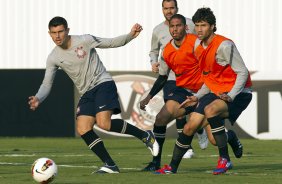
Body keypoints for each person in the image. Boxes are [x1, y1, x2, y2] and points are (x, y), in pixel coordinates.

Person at [28, 16, 159, 174]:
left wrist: (130, 35)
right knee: (83, 128)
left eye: (61, 31)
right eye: (54, 32)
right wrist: (38, 98)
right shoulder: (53, 57)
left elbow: (110, 43)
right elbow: (47, 84)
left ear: (67, 31)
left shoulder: (85, 40)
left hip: (103, 83)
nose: (57, 36)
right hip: (86, 92)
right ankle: (110, 165)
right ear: (49, 33)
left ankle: (145, 135)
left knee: (104, 124)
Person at [155, 7, 252, 175]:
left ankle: (224, 160)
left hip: (239, 92)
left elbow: (242, 72)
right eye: (197, 25)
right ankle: (172, 167)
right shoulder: (198, 47)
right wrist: (196, 96)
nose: (199, 29)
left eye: (204, 25)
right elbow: (209, 77)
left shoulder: (224, 45)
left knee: (210, 110)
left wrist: (231, 95)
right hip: (216, 92)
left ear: (213, 26)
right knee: (189, 127)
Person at [142, 0, 209, 171]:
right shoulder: (161, 37)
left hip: (200, 86)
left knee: (214, 138)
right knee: (162, 117)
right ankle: (156, 162)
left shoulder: (193, 33)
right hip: (176, 82)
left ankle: (212, 135)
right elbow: (155, 56)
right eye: (166, 8)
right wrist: (149, 95)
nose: (169, 11)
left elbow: (207, 46)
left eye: (172, 7)